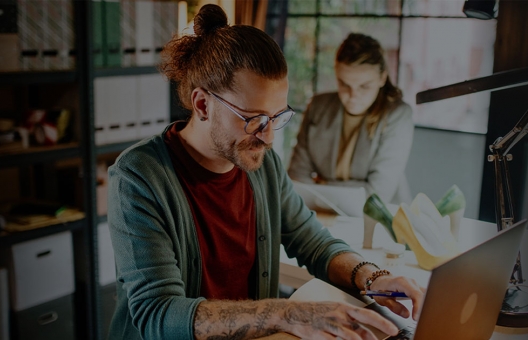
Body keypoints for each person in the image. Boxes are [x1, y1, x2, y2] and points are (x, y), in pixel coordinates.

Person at [107, 5, 423, 340]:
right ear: (202, 105)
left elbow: (313, 242)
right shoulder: (137, 178)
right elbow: (160, 314)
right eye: (255, 120)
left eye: (277, 117)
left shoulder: (260, 163)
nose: (269, 137)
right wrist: (288, 313)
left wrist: (373, 278)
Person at [288, 33, 414, 204]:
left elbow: (376, 194)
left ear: (382, 78)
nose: (353, 96)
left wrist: (322, 185)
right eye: (344, 84)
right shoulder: (318, 106)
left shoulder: (398, 115)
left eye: (364, 86)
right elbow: (297, 177)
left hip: (379, 217)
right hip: (319, 216)